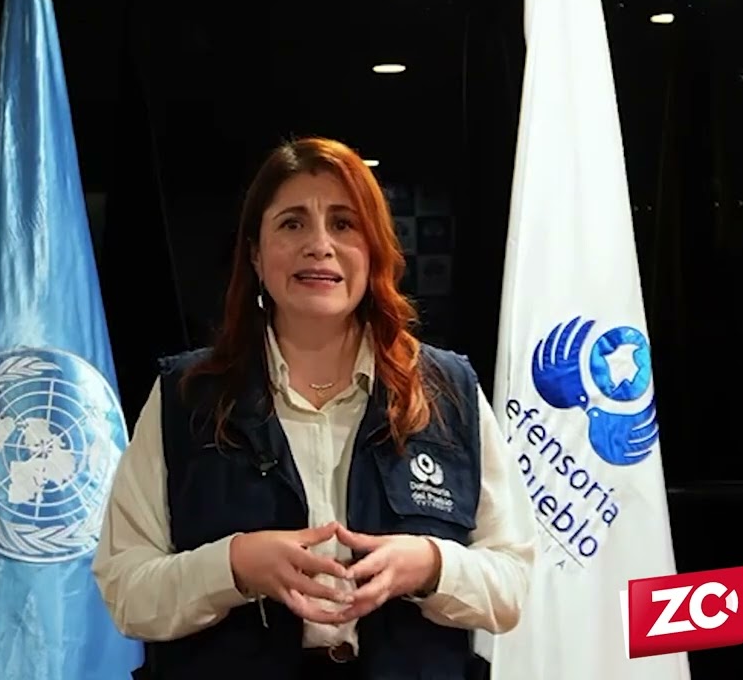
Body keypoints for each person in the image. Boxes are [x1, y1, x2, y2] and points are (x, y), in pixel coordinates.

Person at [93, 137, 538, 679]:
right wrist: (232, 566)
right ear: (255, 253)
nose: (320, 245)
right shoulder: (185, 395)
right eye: (293, 223)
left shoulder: (449, 391)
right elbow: (126, 590)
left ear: (374, 250)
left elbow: (511, 584)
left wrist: (431, 565)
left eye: (344, 224)